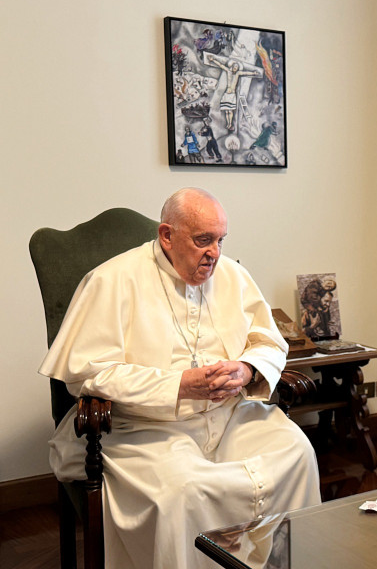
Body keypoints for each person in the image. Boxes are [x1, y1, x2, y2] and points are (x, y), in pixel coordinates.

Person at [39, 187, 321, 569]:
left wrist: (247, 368)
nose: (215, 254)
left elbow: (269, 342)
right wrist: (180, 385)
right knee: (182, 489)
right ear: (166, 235)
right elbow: (88, 374)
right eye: (203, 240)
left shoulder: (233, 276)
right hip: (144, 426)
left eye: (221, 240)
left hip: (228, 415)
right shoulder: (112, 280)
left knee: (296, 454)